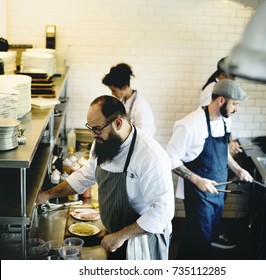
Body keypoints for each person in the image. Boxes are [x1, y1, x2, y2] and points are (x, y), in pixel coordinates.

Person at [36, 95, 174, 260]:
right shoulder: (102, 142)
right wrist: (48, 194)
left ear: (118, 123)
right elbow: (87, 174)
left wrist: (121, 236)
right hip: (114, 234)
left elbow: (162, 212)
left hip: (141, 240)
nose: (93, 134)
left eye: (97, 128)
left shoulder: (151, 156)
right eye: (90, 128)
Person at [166, 79, 253, 259]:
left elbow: (223, 153)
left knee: (201, 237)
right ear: (221, 100)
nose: (237, 109)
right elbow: (170, 158)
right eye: (235, 104)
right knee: (200, 242)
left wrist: (237, 169)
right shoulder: (189, 125)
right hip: (199, 194)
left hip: (218, 191)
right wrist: (198, 180)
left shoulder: (225, 121)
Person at [200, 57, 241, 156]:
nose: (233, 83)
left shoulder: (218, 88)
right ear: (222, 74)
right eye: (232, 78)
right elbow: (211, 119)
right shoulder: (212, 90)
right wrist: (228, 144)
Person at [102, 63, 156, 137]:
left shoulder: (141, 107)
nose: (112, 94)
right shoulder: (122, 101)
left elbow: (144, 136)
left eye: (114, 90)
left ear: (125, 87)